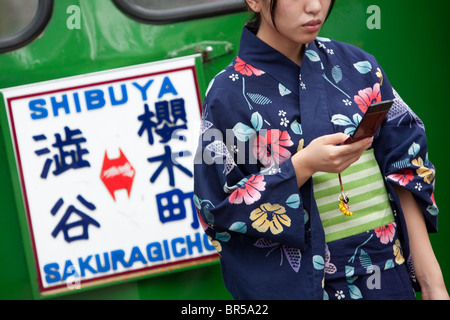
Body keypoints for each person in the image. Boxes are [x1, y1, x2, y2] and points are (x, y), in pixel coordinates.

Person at [193, 0, 448, 300]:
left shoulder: (359, 66)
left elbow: (405, 169)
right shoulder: (228, 94)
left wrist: (434, 286)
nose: (315, 7)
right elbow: (218, 208)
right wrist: (301, 166)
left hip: (385, 273)